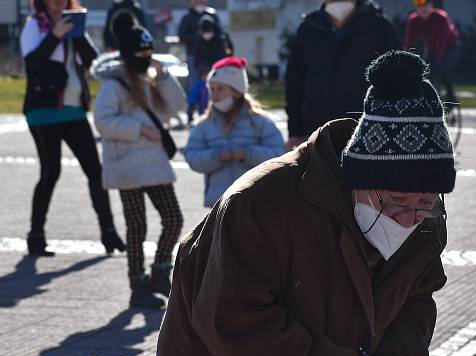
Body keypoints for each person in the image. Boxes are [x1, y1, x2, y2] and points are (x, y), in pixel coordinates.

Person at [141, 50, 454, 356]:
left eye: (427, 204)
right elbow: (236, 322)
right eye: (398, 204)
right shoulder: (261, 204)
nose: (412, 218)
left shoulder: (423, 219)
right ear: (362, 180)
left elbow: (417, 297)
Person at [92, 19, 186, 309]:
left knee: (173, 219)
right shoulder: (114, 84)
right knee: (137, 226)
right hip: (127, 165)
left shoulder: (150, 79)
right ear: (128, 55)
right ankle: (138, 285)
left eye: (150, 52)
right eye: (141, 54)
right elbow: (103, 121)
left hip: (153, 162)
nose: (146, 58)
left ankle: (160, 272)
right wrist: (139, 129)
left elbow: (177, 106)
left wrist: (165, 77)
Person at [20, 0, 126, 257]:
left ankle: (109, 233)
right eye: (52, 0)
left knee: (95, 171)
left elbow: (93, 63)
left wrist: (76, 34)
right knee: (50, 172)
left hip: (73, 110)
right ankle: (36, 236)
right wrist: (55, 36)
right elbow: (32, 64)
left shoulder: (74, 24)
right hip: (43, 112)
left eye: (62, 0)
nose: (57, 4)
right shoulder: (35, 25)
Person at [284, 0, 400, 150]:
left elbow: (397, 78)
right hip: (316, 132)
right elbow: (295, 81)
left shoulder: (379, 27)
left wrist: (392, 124)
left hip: (369, 132)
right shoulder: (308, 29)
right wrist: (294, 130)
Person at [185, 56, 285, 208]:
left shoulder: (259, 122)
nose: (214, 94)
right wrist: (216, 157)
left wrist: (248, 154)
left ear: (237, 92)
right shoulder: (205, 124)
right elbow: (192, 155)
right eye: (211, 89)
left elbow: (279, 154)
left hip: (255, 198)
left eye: (220, 88)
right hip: (219, 202)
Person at [404, 0, 460, 106]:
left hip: (450, 47)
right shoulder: (414, 20)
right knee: (426, 71)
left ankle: (451, 97)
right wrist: (406, 60)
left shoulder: (441, 18)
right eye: (420, 8)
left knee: (442, 68)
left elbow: (441, 42)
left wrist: (437, 63)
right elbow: (409, 42)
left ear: (431, 6)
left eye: (425, 7)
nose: (422, 10)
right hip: (432, 47)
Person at [177, 0, 220, 122]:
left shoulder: (212, 15)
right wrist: (198, 35)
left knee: (212, 84)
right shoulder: (187, 18)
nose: (200, 3)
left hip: (212, 55)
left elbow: (219, 34)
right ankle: (191, 109)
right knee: (195, 83)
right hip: (195, 56)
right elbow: (181, 36)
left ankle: (210, 109)